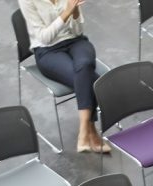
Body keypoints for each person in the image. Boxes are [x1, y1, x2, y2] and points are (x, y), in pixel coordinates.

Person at [18, 0, 106, 153]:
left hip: (76, 42)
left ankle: (84, 130)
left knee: (84, 64)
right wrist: (66, 12)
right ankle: (90, 129)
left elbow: (78, 31)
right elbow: (44, 37)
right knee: (92, 81)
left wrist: (76, 12)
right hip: (47, 51)